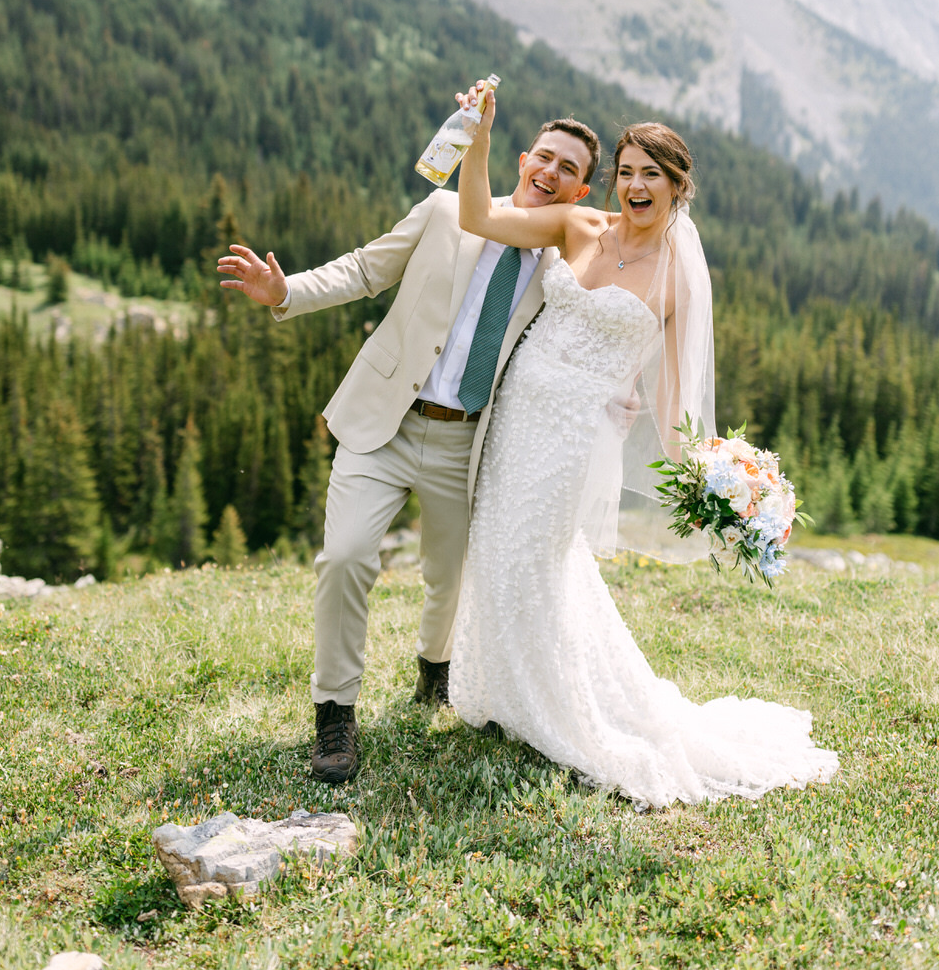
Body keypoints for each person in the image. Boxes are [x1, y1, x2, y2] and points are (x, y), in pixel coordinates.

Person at [450, 93, 839, 807]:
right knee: (498, 548)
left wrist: (720, 482)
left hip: (572, 437)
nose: (633, 185)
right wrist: (477, 141)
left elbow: (671, 402)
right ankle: (506, 690)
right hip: (513, 419)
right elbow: (477, 216)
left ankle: (558, 707)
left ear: (676, 185)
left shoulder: (678, 278)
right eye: (625, 171)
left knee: (538, 555)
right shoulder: (577, 225)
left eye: (650, 174)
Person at [216, 112, 600, 783]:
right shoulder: (443, 210)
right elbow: (365, 270)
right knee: (344, 557)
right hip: (382, 423)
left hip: (469, 444)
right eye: (544, 157)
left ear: (581, 194)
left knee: (449, 577)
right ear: (518, 160)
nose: (550, 172)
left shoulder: (564, 269)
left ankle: (434, 668)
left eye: (568, 169)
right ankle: (334, 714)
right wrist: (286, 291)